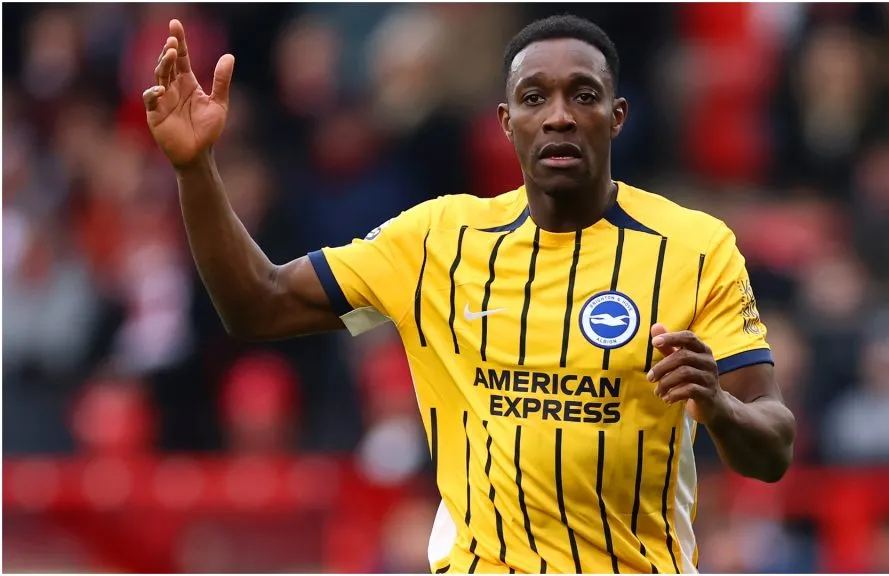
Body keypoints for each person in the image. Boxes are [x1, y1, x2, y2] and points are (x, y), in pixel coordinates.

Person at [143, 14, 796, 574]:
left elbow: (773, 446)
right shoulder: (436, 241)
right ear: (506, 122)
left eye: (584, 95)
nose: (559, 116)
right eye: (535, 98)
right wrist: (194, 168)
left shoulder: (695, 248)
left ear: (617, 116)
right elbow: (256, 304)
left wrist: (717, 406)